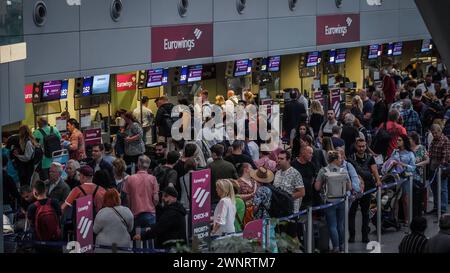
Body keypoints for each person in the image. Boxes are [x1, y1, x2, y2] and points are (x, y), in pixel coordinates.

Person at [314, 151, 352, 252]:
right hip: (341, 200)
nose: (341, 160)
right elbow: (349, 187)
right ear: (335, 160)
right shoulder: (343, 171)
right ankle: (342, 246)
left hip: (329, 201)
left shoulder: (323, 170)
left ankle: (335, 247)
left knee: (332, 225)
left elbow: (317, 187)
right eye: (340, 158)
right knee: (341, 225)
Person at [348, 138, 381, 243]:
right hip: (355, 189)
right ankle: (352, 235)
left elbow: (374, 170)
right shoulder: (350, 158)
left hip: (367, 188)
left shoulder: (370, 158)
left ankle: (365, 235)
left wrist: (378, 181)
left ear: (366, 146)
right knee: (352, 213)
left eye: (363, 146)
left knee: (365, 213)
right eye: (359, 146)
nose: (361, 148)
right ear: (356, 146)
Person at [123, 155, 159, 247]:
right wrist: (153, 205)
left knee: (137, 240)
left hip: (135, 213)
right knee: (150, 239)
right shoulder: (153, 179)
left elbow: (127, 199)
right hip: (150, 213)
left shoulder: (130, 179)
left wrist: (130, 209)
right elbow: (156, 199)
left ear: (138, 165)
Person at [386, 135, 416, 225]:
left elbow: (413, 167)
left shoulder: (410, 154)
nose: (397, 141)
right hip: (395, 178)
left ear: (404, 142)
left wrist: (403, 165)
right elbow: (389, 162)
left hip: (405, 178)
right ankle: (395, 219)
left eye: (399, 140)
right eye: (397, 140)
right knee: (395, 199)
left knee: (405, 199)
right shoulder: (395, 152)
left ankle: (407, 219)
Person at [93, 188, 134, 253]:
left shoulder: (101, 213)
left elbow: (95, 230)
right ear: (118, 198)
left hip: (104, 248)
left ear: (105, 199)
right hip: (123, 247)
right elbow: (130, 229)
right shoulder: (127, 211)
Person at [27, 180, 62, 253]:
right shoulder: (54, 202)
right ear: (46, 190)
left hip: (40, 242)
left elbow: (30, 223)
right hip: (55, 239)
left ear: (35, 192)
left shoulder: (32, 207)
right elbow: (60, 216)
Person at [429, 124, 450, 214]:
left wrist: (441, 166)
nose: (434, 135)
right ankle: (436, 206)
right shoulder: (434, 140)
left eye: (436, 133)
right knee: (433, 188)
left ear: (440, 131)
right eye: (433, 133)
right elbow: (430, 152)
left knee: (442, 188)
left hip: (442, 168)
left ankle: (443, 208)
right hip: (433, 166)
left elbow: (446, 156)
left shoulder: (445, 140)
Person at [409, 132, 429, 217]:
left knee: (417, 196)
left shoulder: (421, 148)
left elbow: (427, 160)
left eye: (409, 139)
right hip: (408, 175)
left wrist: (417, 165)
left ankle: (418, 213)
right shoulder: (407, 149)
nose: (408, 140)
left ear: (414, 139)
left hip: (418, 176)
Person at [291, 145, 317, 209]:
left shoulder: (312, 165)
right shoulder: (293, 164)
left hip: (308, 199)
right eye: (310, 153)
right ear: (303, 152)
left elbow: (312, 180)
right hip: (296, 198)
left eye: (312, 153)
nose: (312, 155)